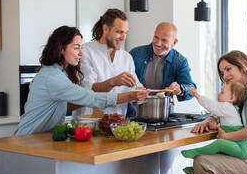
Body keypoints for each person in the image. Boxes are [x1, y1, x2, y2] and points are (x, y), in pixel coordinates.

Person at [14, 26, 149, 136]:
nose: (81, 54)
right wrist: (129, 96)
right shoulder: (53, 78)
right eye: (76, 48)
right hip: (27, 139)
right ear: (61, 49)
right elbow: (90, 98)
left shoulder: (59, 73)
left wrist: (86, 99)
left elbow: (66, 105)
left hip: (39, 138)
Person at [74, 8, 141, 117]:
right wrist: (113, 82)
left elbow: (134, 89)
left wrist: (144, 93)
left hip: (118, 126)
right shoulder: (85, 51)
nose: (123, 37)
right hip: (89, 125)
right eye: (119, 32)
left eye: (125, 32)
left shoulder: (127, 57)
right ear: (105, 29)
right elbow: (88, 91)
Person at [181, 82, 247, 174]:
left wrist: (197, 95)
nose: (218, 94)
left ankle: (196, 152)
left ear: (232, 98)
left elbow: (212, 106)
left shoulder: (228, 107)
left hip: (241, 148)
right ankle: (198, 170)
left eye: (222, 92)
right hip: (236, 146)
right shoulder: (230, 109)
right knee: (216, 155)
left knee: (219, 144)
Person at [129, 22, 196, 101]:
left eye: (164, 40)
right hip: (134, 110)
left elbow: (191, 89)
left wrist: (181, 89)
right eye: (156, 37)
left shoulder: (180, 61)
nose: (158, 43)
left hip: (162, 110)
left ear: (174, 42)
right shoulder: (135, 54)